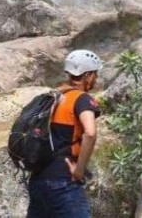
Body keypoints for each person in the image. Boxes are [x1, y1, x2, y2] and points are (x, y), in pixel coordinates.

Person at [27, 50, 103, 218]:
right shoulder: (82, 99)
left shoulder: (54, 96)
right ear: (88, 75)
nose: (96, 79)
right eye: (95, 74)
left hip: (38, 181)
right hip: (63, 182)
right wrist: (79, 171)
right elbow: (90, 133)